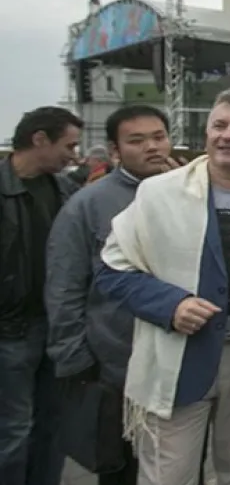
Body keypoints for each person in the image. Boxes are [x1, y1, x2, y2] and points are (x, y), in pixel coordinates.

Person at [95, 89, 230, 485]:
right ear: (207, 134)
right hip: (180, 358)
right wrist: (170, 304)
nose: (228, 135)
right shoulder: (158, 194)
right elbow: (112, 269)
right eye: (220, 126)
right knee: (168, 475)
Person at [45, 106, 179, 485]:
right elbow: (64, 286)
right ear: (115, 149)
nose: (151, 147)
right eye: (136, 141)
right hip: (115, 363)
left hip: (180, 360)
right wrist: (76, 358)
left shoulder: (193, 193)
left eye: (158, 137)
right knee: (119, 467)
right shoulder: (87, 205)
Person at [0, 106, 82, 485]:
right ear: (39, 139)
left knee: (53, 426)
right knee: (13, 430)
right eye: (69, 145)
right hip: (9, 332)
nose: (74, 155)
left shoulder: (66, 191)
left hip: (56, 330)